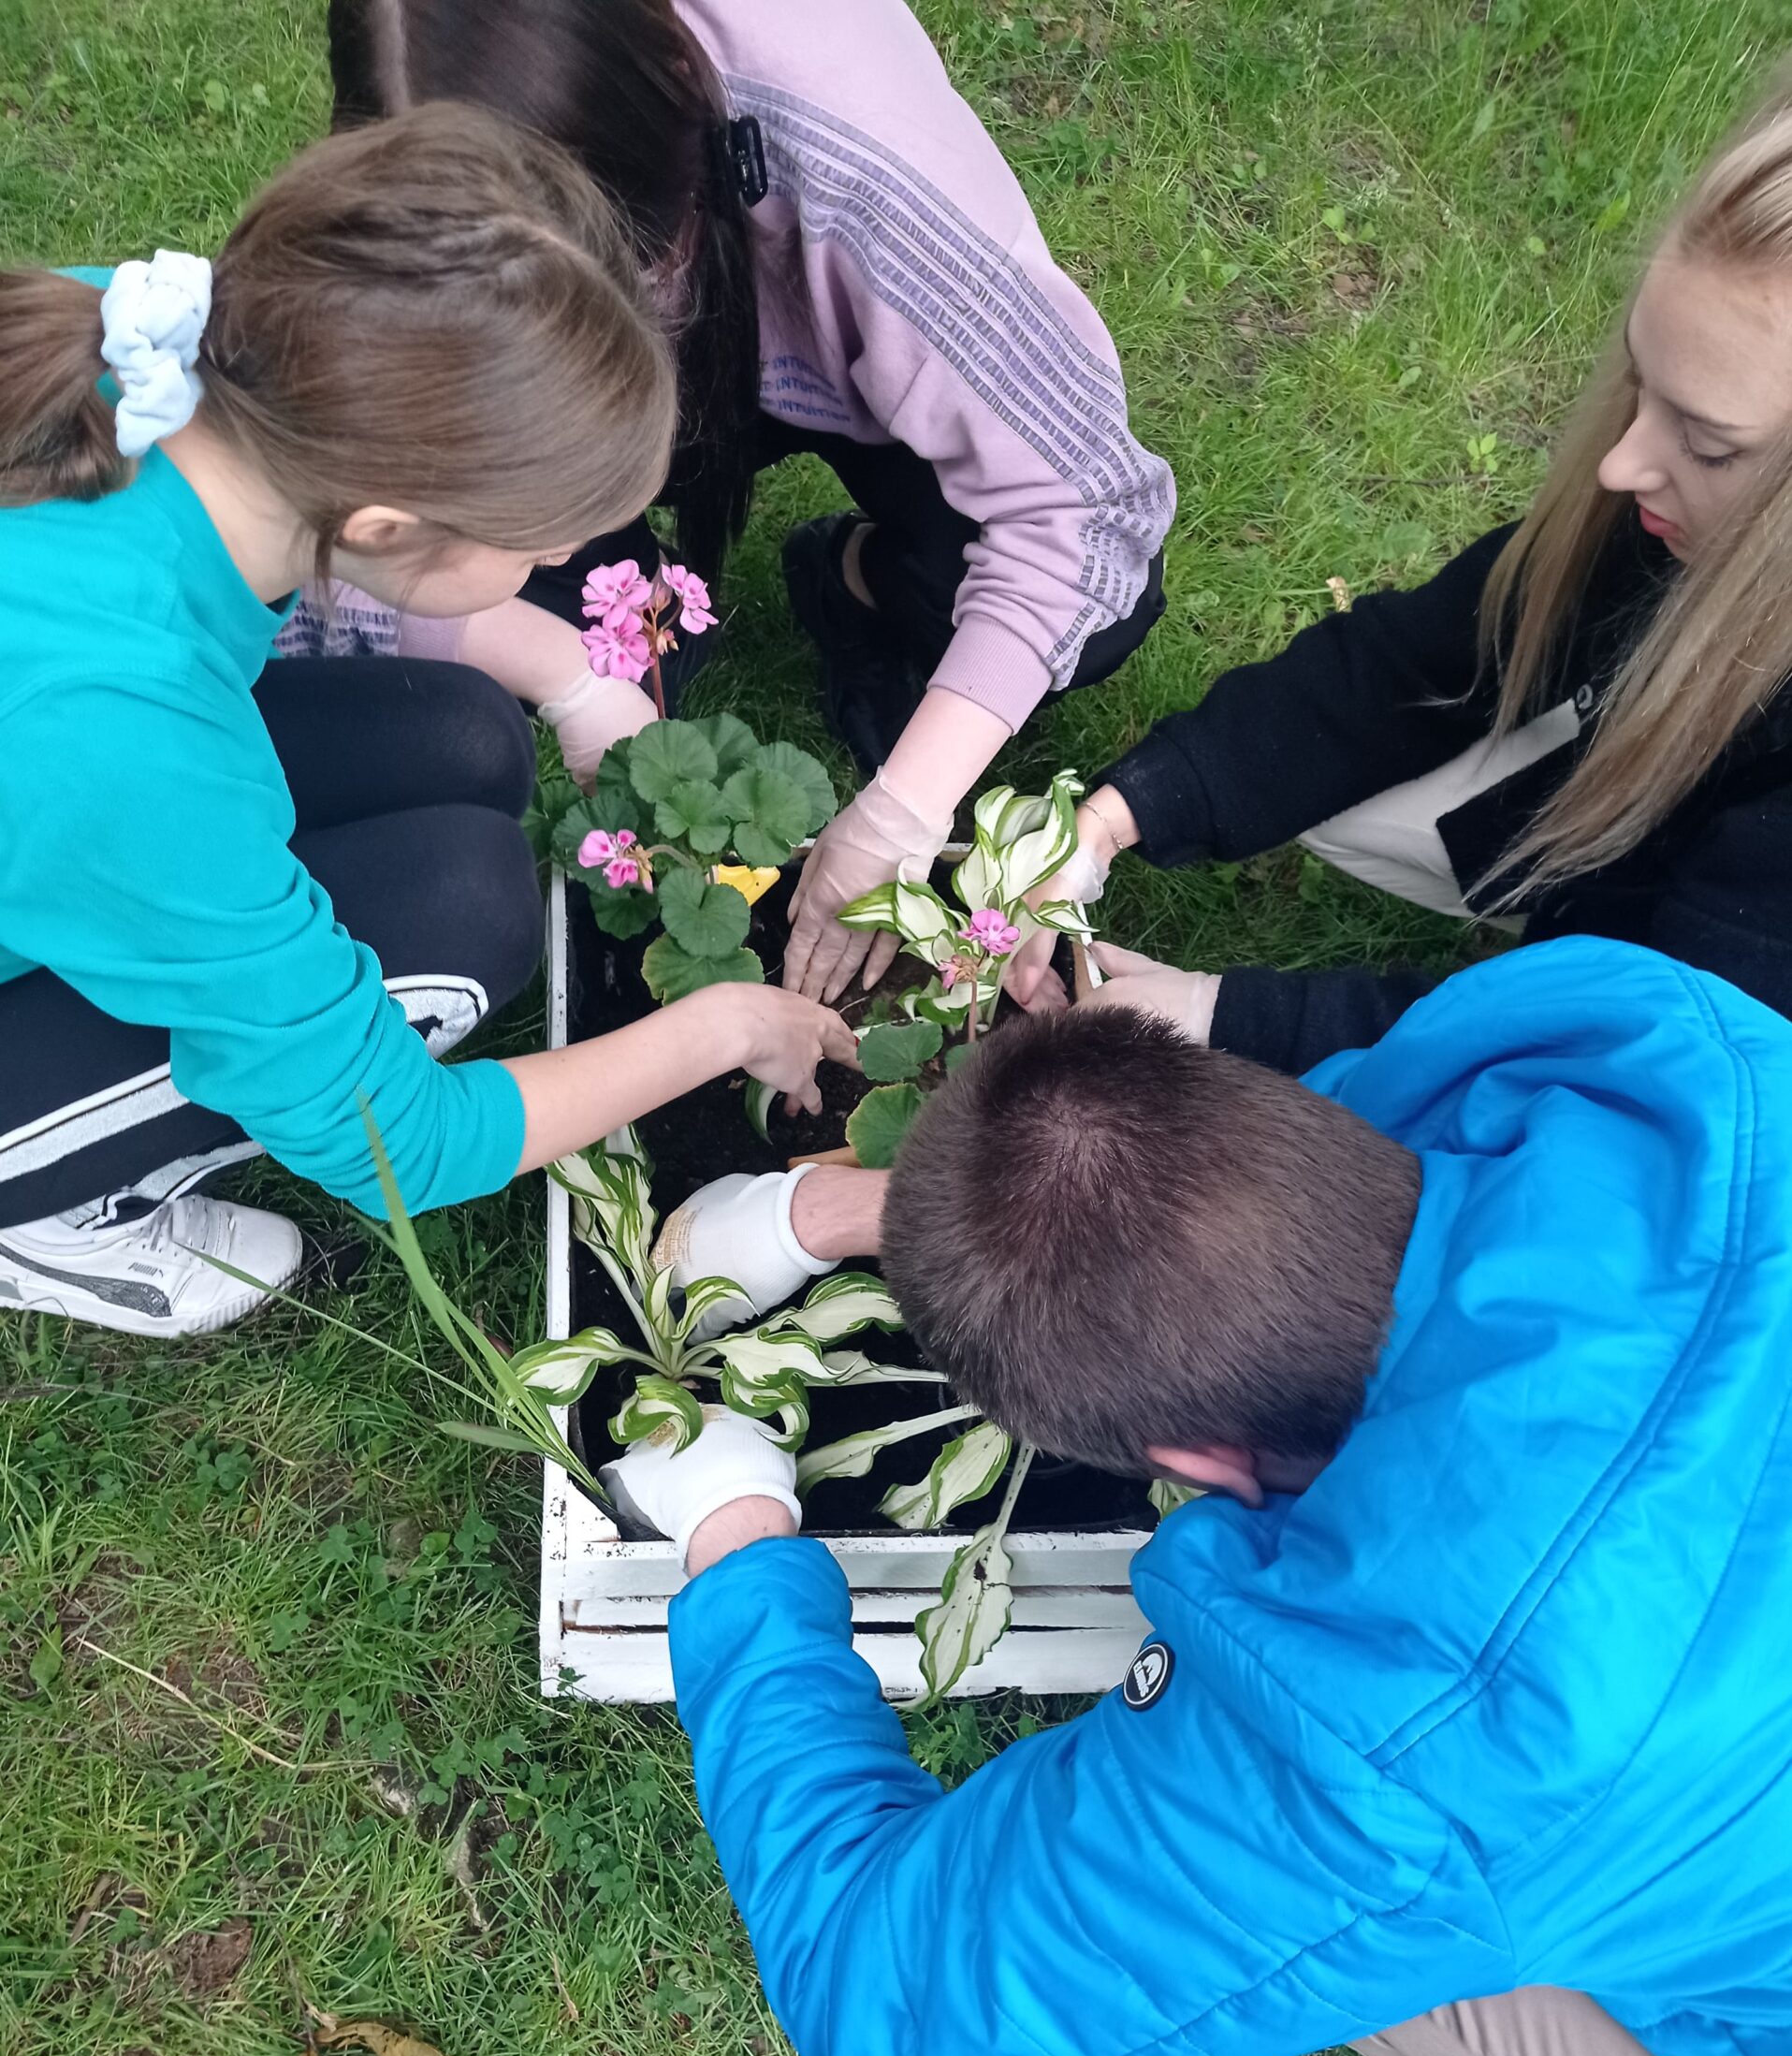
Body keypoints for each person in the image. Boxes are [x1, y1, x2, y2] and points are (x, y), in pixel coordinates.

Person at [606, 937, 1792, 2056]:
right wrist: (865, 1212)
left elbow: (883, 1982)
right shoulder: (1660, 1044)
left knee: (1330, 1937)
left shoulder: (1404, 1745)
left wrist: (738, 1540)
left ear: (1195, 1460)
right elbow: (1333, 1155)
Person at [0, 104, 852, 1339]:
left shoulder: (148, 360)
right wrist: (721, 1023)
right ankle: (45, 1214)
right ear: (391, 522)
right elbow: (398, 1143)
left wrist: (561, 671)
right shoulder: (118, 731)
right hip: (79, 789)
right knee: (458, 927)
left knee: (464, 740)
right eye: (549, 535)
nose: (569, 553)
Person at [322, 0, 1175, 992]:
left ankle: (848, 578)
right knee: (492, 668)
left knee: (1083, 618)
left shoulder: (870, 177)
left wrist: (907, 806)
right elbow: (338, 526)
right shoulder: (426, 118)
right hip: (667, 312)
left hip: (820, 345)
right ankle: (624, 586)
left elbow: (1084, 510)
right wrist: (563, 665)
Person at [1008, 67, 1792, 1071]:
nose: (1620, 464)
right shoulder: (1656, 507)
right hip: (1671, 861)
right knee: (1342, 785)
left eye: (1709, 444)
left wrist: (1219, 1015)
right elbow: (1405, 666)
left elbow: (1646, 1050)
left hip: (1736, 1059)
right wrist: (1114, 818)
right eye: (1641, 385)